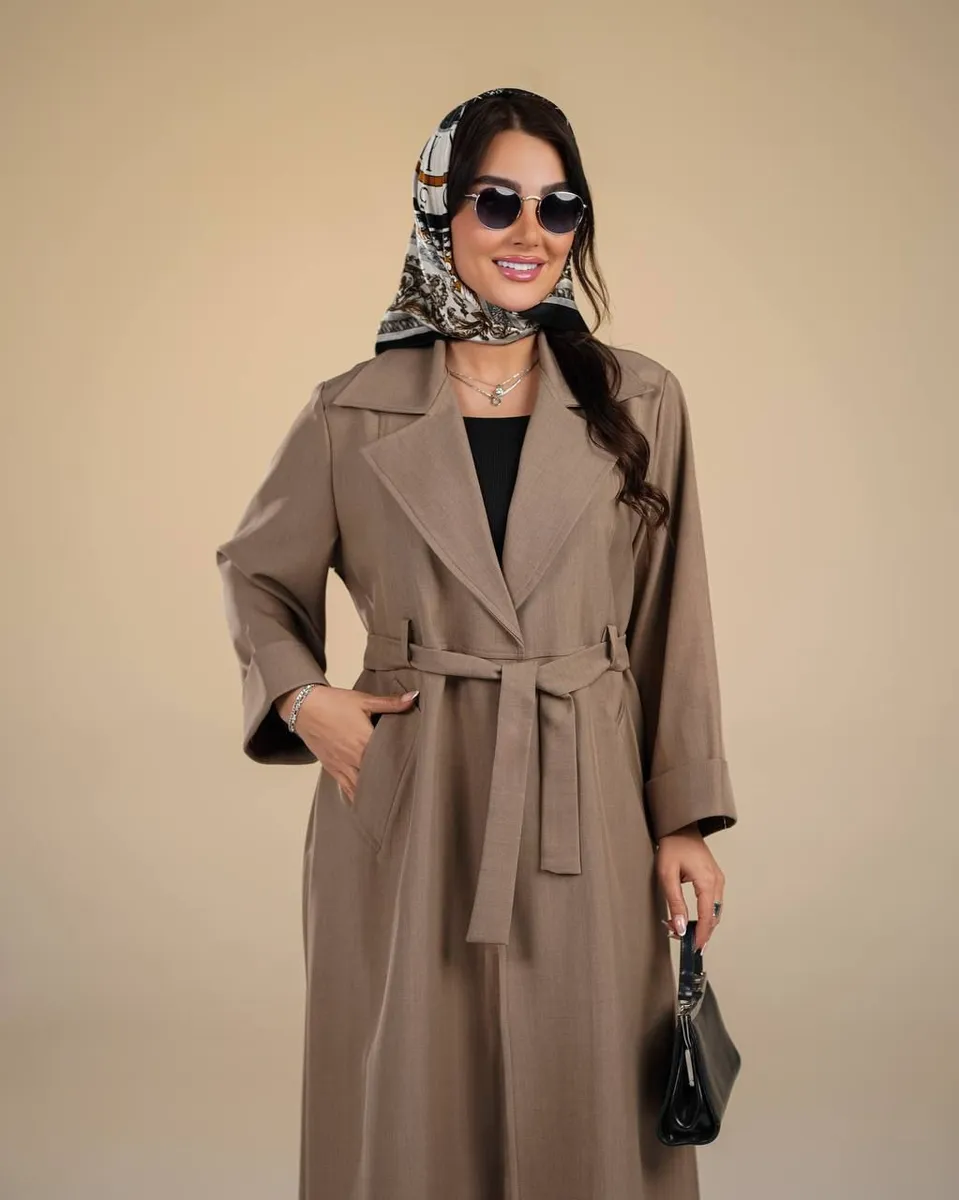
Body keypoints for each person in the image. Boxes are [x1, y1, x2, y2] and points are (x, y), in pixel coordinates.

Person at [215, 86, 737, 1200]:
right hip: (411, 791)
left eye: (559, 207)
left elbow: (671, 617)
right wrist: (305, 700)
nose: (529, 232)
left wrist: (682, 817)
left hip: (585, 789)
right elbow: (254, 574)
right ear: (439, 210)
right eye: (496, 201)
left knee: (587, 1091)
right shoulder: (349, 410)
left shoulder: (639, 400)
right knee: (412, 1105)